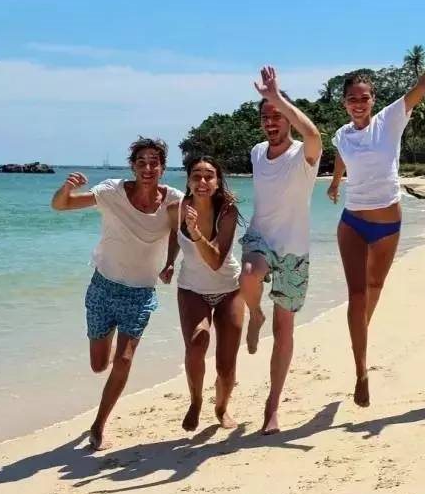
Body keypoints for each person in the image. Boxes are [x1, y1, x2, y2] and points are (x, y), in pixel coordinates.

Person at [327, 16, 425, 407]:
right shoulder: (342, 135)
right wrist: (336, 181)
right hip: (352, 222)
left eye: (364, 97)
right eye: (352, 98)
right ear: (344, 103)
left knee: (374, 289)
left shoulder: (390, 119)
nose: (358, 104)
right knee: (357, 294)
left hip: (388, 223)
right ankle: (361, 370)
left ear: (373, 99)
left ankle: (360, 334)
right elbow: (342, 156)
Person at [51, 137, 183, 450]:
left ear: (163, 168)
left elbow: (177, 232)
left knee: (124, 359)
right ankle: (109, 345)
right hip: (103, 287)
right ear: (133, 167)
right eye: (141, 162)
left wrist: (170, 263)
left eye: (154, 162)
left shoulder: (173, 199)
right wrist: (67, 188)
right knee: (99, 365)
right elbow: (61, 205)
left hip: (140, 292)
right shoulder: (112, 191)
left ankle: (99, 425)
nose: (148, 168)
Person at [238, 66, 322, 434]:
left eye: (277, 116)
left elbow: (313, 133)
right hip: (260, 240)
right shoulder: (257, 152)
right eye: (265, 117)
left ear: (288, 118)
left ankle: (272, 407)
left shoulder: (305, 155)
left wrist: (277, 98)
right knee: (248, 274)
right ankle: (255, 314)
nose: (271, 122)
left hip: (294, 252)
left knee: (284, 329)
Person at [161, 156, 243, 432]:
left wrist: (195, 232)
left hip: (229, 288)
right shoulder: (176, 209)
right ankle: (196, 400)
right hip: (192, 289)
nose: (202, 181)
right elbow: (175, 235)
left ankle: (221, 407)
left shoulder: (227, 211)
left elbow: (216, 260)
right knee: (197, 344)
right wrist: (170, 261)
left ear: (217, 182)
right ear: (188, 181)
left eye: (209, 176)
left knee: (226, 365)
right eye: (196, 176)